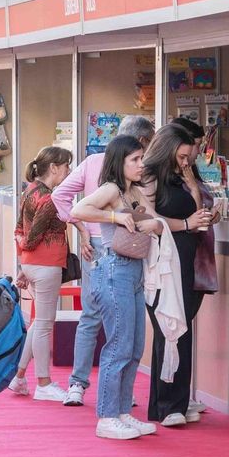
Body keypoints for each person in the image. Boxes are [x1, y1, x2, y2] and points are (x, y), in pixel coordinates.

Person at [51, 115, 156, 407]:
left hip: (114, 250)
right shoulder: (108, 179)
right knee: (111, 329)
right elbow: (65, 198)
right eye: (137, 156)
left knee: (111, 327)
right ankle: (93, 391)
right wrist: (86, 227)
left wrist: (82, 230)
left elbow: (150, 217)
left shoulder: (128, 182)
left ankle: (90, 388)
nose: (142, 162)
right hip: (106, 251)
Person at [72, 135, 163, 440]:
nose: (141, 164)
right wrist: (116, 217)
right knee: (119, 344)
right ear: (120, 161)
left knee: (135, 345)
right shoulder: (111, 189)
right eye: (134, 159)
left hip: (133, 269)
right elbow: (80, 210)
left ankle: (122, 410)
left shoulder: (133, 190)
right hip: (114, 269)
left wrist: (149, 223)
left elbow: (155, 221)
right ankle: (107, 415)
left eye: (141, 158)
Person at [141, 125, 214, 427]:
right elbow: (147, 218)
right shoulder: (149, 175)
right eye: (183, 154)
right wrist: (185, 223)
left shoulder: (188, 174)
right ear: (169, 148)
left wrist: (196, 193)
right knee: (168, 326)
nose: (187, 160)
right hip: (163, 259)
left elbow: (201, 218)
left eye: (190, 155)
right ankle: (168, 403)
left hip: (190, 257)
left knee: (182, 328)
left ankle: (173, 402)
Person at [7, 146, 74, 402]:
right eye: (66, 166)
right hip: (46, 264)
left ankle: (20, 376)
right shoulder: (48, 198)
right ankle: (43, 383)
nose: (68, 171)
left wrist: (23, 263)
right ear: (54, 168)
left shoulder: (30, 190)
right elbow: (32, 237)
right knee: (45, 324)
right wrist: (26, 249)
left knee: (39, 322)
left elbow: (19, 229)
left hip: (34, 265)